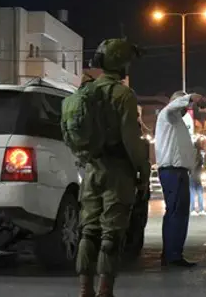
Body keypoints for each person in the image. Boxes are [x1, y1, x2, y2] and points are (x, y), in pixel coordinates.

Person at [74, 38, 150, 297]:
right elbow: (131, 139)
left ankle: (84, 289)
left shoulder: (86, 92)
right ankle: (104, 290)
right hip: (118, 173)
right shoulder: (123, 95)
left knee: (88, 230)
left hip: (92, 170)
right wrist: (143, 172)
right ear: (120, 63)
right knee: (111, 234)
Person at [155, 90, 205, 268]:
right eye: (184, 105)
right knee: (176, 213)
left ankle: (173, 252)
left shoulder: (178, 123)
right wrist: (190, 97)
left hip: (179, 172)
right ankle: (172, 255)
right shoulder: (167, 116)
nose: (186, 108)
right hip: (172, 171)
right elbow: (172, 107)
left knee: (180, 213)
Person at [189, 143, 206, 215]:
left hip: (193, 176)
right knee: (199, 193)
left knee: (193, 194)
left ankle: (193, 209)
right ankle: (200, 209)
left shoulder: (191, 154)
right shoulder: (198, 155)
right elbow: (198, 164)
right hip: (196, 176)